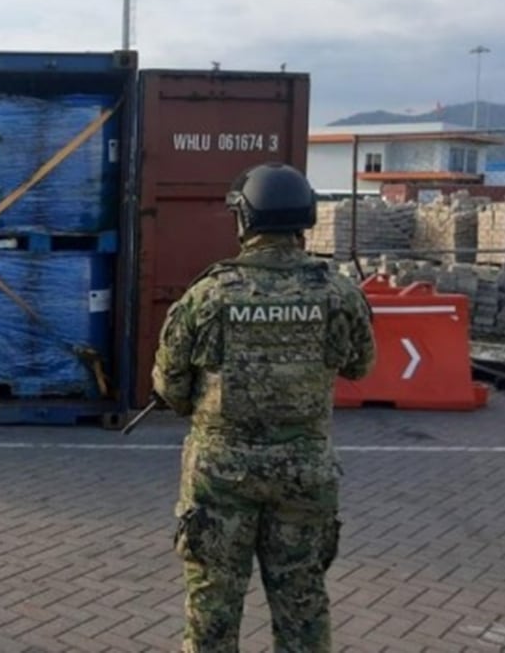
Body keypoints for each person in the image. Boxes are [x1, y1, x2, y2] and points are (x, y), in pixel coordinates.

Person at [152, 162, 376, 652]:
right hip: (304, 473)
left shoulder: (208, 295)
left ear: (245, 219)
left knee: (212, 608)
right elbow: (360, 367)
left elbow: (170, 386)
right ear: (305, 218)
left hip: (221, 475)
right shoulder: (338, 294)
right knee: (302, 604)